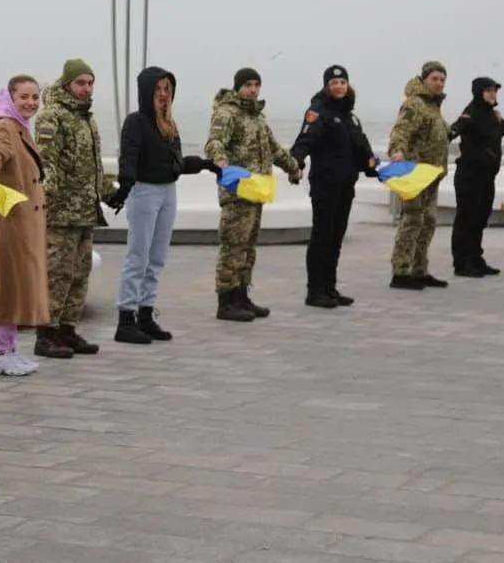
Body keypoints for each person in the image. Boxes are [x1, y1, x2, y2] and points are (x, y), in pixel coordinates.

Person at [107, 66, 213, 343]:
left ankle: (146, 313)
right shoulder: (136, 122)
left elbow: (174, 164)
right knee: (138, 256)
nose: (163, 95)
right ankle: (125, 318)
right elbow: (128, 159)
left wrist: (206, 164)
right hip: (144, 193)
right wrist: (124, 188)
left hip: (168, 192)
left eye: (167, 89)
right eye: (158, 89)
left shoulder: (169, 125)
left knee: (156, 258)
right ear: (146, 91)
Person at [204, 67, 303, 322]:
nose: (252, 89)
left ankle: (241, 296)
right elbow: (214, 142)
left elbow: (274, 149)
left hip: (256, 192)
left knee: (248, 248)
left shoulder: (257, 117)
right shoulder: (227, 113)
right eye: (248, 84)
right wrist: (221, 160)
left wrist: (293, 168)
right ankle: (225, 302)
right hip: (237, 191)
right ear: (238, 87)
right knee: (233, 247)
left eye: (256, 85)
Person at [34, 59, 114, 358]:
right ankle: (46, 333)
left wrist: (108, 193)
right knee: (57, 274)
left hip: (85, 212)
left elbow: (92, 167)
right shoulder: (52, 117)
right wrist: (49, 197)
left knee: (80, 273)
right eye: (80, 83)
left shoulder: (86, 119)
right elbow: (45, 163)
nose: (86, 89)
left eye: (90, 83)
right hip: (60, 213)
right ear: (67, 84)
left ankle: (67, 329)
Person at [290, 65, 379, 307]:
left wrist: (373, 165)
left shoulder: (349, 115)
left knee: (336, 237)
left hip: (345, 184)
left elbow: (360, 148)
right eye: (334, 83)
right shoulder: (319, 111)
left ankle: (330, 288)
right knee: (322, 236)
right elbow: (305, 139)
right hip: (325, 184)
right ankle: (315, 291)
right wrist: (295, 161)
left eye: (342, 83)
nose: (339, 87)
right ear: (326, 86)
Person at [0, 76, 52, 375]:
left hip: (25, 220)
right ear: (11, 98)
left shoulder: (21, 127)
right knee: (8, 284)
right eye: (24, 97)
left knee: (17, 284)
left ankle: (10, 349)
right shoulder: (6, 126)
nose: (31, 103)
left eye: (35, 97)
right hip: (13, 220)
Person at [449, 77, 504, 277]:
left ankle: (476, 258)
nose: (492, 94)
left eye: (494, 90)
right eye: (488, 90)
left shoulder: (492, 115)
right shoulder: (471, 113)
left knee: (480, 218)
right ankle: (461, 262)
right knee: (466, 219)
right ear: (478, 92)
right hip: (469, 176)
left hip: (486, 177)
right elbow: (454, 130)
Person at [387, 61, 451, 290]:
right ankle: (401, 271)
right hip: (415, 171)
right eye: (434, 79)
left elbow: (436, 133)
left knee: (429, 221)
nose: (439, 83)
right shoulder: (414, 104)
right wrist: (397, 150)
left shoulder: (433, 107)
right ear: (424, 79)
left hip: (432, 173)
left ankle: (419, 269)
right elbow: (401, 130)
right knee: (413, 219)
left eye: (442, 80)